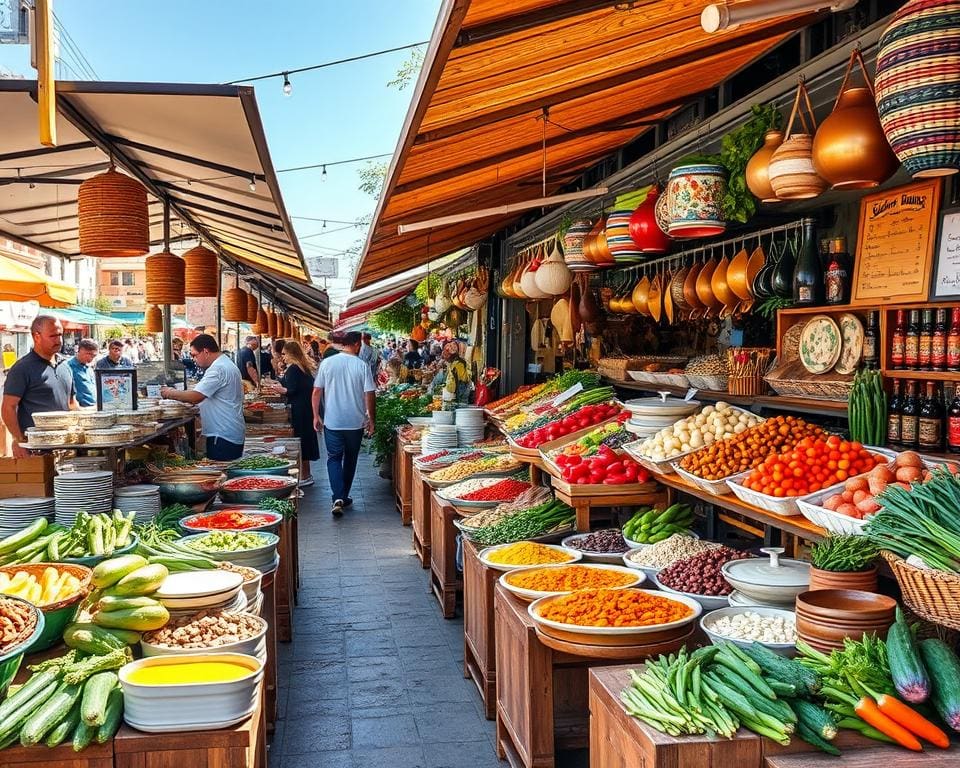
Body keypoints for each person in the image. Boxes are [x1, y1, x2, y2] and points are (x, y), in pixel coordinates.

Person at [312, 330, 375, 517]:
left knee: (333, 458)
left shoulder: (327, 363)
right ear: (356, 344)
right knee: (350, 459)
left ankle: (338, 496)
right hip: (355, 422)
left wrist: (316, 415)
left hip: (333, 421)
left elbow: (316, 391)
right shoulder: (361, 365)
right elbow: (369, 394)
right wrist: (371, 418)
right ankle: (343, 495)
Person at [160, 334, 245, 460]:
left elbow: (196, 396)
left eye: (195, 355)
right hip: (227, 432)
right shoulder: (225, 363)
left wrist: (169, 392)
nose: (193, 359)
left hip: (222, 435)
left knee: (221, 472)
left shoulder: (218, 369)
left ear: (206, 351)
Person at [2, 315, 76, 458]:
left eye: (60, 334)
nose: (58, 340)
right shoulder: (22, 368)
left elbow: (72, 404)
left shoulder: (65, 366)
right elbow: (8, 407)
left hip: (65, 447)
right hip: (36, 450)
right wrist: (19, 440)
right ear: (36, 336)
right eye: (53, 336)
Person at [268, 340, 319, 486]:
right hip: (305, 407)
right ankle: (306, 475)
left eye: (284, 354)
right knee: (305, 441)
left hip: (299, 409)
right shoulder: (303, 367)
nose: (282, 357)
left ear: (291, 353)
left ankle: (303, 476)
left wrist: (279, 389)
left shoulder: (294, 369)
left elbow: (291, 390)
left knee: (300, 441)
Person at [67, 338, 98, 407]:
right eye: (89, 354)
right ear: (80, 350)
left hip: (93, 407)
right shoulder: (68, 366)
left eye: (94, 356)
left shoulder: (89, 368)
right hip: (79, 409)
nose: (91, 358)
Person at [441, 340, 471, 407]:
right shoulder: (454, 363)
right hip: (454, 397)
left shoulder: (459, 364)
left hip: (459, 399)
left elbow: (462, 382)